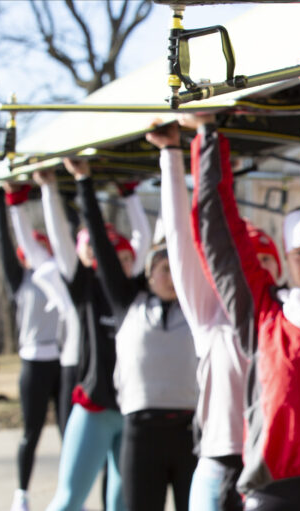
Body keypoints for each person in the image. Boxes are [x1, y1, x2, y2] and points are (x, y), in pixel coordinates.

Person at [182, 113, 300, 510]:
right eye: (298, 255)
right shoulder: (264, 313)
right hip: (273, 490)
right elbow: (220, 239)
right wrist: (208, 138)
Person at [62, 158, 199, 511]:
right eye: (162, 269)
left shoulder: (198, 308)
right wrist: (83, 182)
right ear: (149, 273)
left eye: (176, 269)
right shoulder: (128, 303)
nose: (170, 277)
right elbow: (105, 255)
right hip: (141, 434)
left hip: (189, 433)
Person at [149, 119, 251, 511]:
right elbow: (178, 238)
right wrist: (171, 155)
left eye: (262, 261)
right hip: (217, 463)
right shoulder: (210, 316)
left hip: (272, 470)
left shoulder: (284, 318)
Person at [36, 167, 149, 511]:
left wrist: (130, 195)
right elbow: (60, 243)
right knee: (69, 499)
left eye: (128, 258)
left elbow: (143, 237)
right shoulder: (85, 290)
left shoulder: (142, 294)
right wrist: (49, 190)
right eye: (115, 259)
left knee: (121, 502)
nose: (123, 264)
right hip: (94, 410)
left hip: (130, 414)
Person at [0, 184, 64, 511]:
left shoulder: (61, 278)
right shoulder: (20, 280)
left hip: (62, 363)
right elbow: (6, 244)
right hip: (34, 363)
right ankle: (21, 494)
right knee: (31, 433)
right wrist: (0, 203)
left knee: (69, 433)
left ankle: (69, 494)